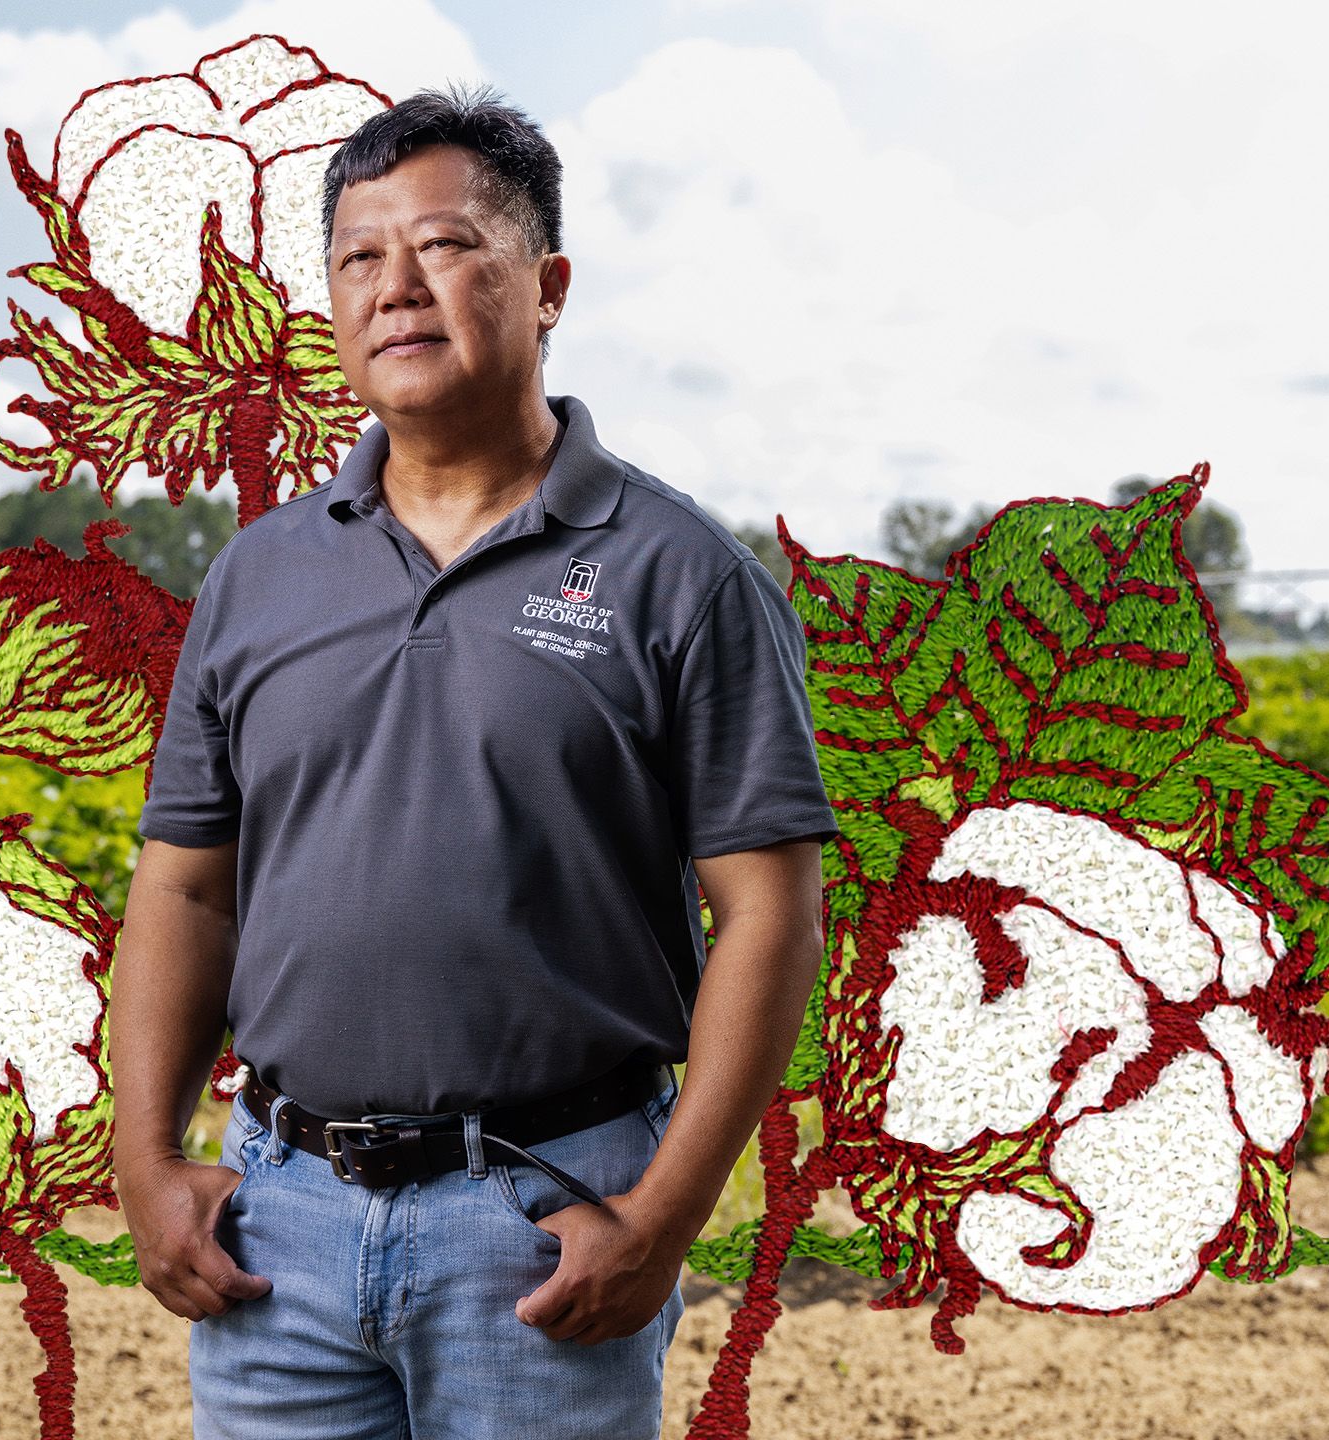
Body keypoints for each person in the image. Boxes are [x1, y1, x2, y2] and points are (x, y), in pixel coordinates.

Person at [109, 81, 840, 1439]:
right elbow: (186, 891)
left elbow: (770, 917)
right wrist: (145, 1161)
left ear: (547, 284)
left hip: (545, 1221)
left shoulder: (681, 576)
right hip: (281, 1227)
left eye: (446, 247)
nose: (397, 288)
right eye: (359, 259)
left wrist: (663, 1221)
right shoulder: (259, 575)